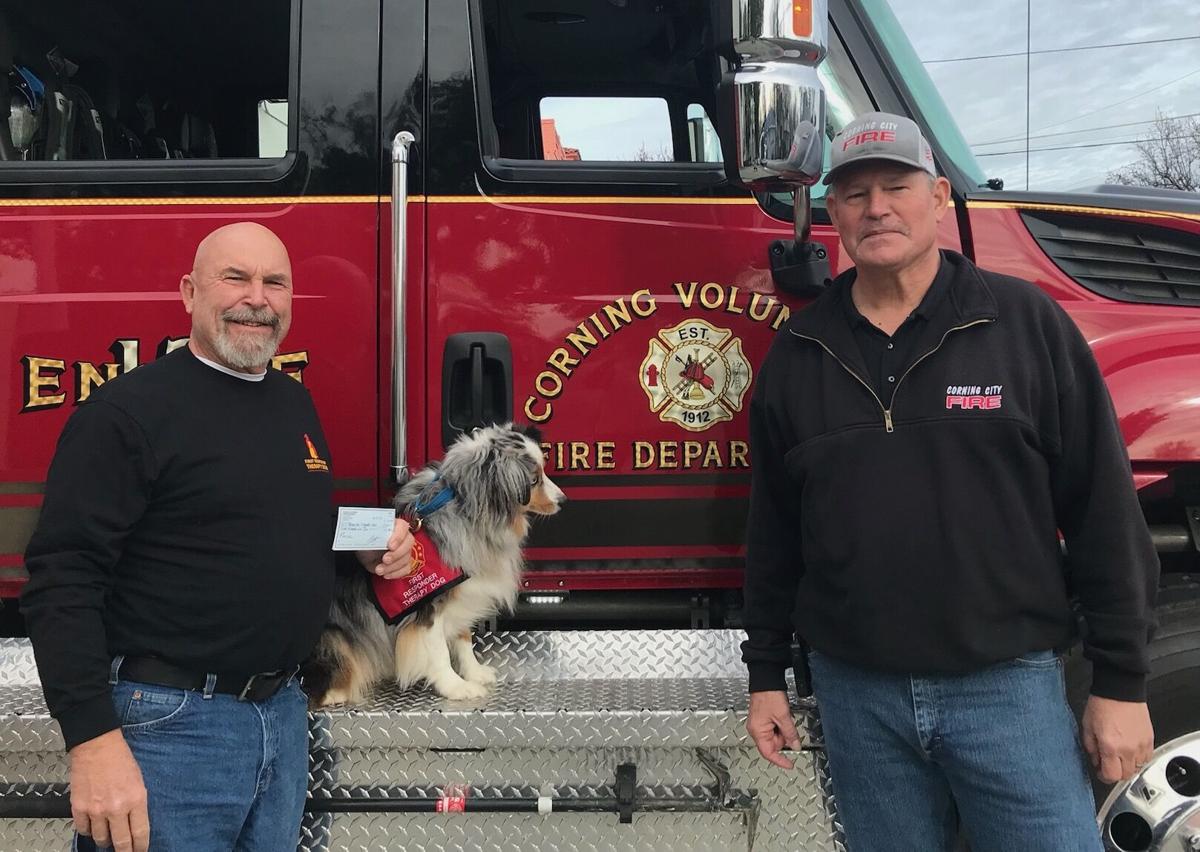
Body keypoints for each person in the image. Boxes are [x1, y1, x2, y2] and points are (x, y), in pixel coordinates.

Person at [741, 112, 1159, 852]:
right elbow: (774, 533)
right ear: (831, 213)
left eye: (896, 186)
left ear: (937, 197)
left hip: (1007, 691)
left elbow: (1103, 509)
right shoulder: (798, 354)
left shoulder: (1024, 324)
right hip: (857, 697)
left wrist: (1120, 681)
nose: (877, 208)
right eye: (855, 193)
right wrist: (766, 672)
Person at [21, 222, 415, 852]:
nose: (255, 297)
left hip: (283, 717)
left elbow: (283, 522)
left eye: (274, 282)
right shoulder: (128, 415)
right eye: (235, 278)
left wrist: (366, 545)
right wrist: (92, 743)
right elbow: (62, 579)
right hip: (167, 728)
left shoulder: (292, 404)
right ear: (189, 293)